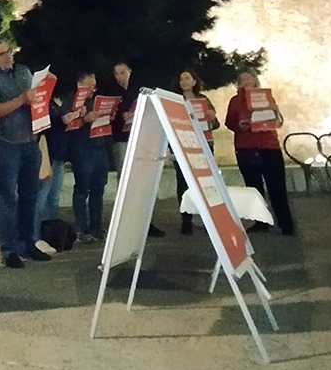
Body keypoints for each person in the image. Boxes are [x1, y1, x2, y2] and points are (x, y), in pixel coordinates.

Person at [0, 39, 50, 268]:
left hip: (30, 140)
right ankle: (9, 250)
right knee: (7, 197)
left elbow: (37, 100)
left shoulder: (24, 72)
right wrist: (21, 99)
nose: (8, 57)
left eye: (10, 52)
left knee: (30, 196)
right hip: (7, 142)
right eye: (1, 53)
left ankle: (28, 243)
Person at [225, 71, 296, 236]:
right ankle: (261, 222)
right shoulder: (235, 101)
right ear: (238, 83)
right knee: (254, 188)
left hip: (269, 146)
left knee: (277, 187)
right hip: (246, 148)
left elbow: (278, 121)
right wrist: (238, 125)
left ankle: (286, 223)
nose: (246, 81)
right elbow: (229, 122)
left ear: (255, 81)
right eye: (242, 79)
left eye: (249, 78)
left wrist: (274, 110)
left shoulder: (267, 98)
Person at [112, 61, 164, 238]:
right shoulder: (112, 93)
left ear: (130, 72)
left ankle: (146, 222)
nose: (119, 77)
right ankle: (126, 222)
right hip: (122, 140)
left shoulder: (139, 91)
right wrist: (120, 117)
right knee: (125, 180)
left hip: (141, 140)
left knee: (142, 180)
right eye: (116, 74)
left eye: (122, 73)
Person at [66, 72, 111, 243]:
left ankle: (96, 226)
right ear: (79, 85)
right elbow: (67, 123)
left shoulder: (95, 101)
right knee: (82, 190)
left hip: (99, 147)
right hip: (82, 149)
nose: (92, 89)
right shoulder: (71, 100)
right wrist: (84, 119)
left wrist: (107, 117)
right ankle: (82, 229)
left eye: (94, 86)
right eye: (89, 85)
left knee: (98, 189)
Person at [176, 69, 221, 235]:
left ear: (195, 81)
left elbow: (216, 125)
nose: (184, 82)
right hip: (184, 145)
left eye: (187, 78)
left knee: (205, 181)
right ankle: (186, 220)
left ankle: (207, 218)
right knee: (183, 183)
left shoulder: (204, 100)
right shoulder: (175, 101)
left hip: (204, 144)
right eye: (181, 79)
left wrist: (212, 116)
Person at [32, 88, 70, 253]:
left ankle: (51, 234)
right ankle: (36, 236)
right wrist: (62, 119)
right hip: (48, 153)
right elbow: (43, 127)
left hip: (59, 154)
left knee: (53, 197)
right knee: (42, 197)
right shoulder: (41, 101)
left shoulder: (55, 102)